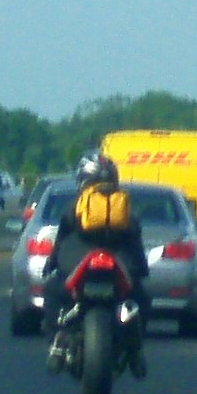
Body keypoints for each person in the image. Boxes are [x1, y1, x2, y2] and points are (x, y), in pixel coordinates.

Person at [49, 151, 149, 373]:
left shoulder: (74, 207)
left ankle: (56, 343)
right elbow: (136, 241)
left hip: (78, 262)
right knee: (140, 297)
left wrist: (52, 264)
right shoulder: (125, 208)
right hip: (119, 263)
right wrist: (141, 269)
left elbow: (61, 240)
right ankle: (136, 351)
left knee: (53, 290)